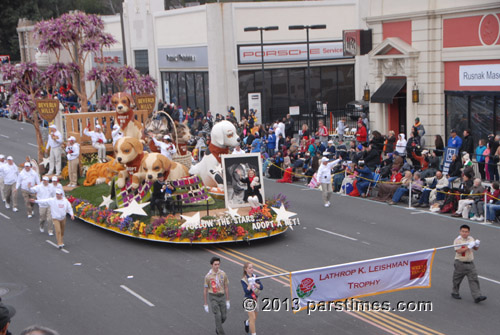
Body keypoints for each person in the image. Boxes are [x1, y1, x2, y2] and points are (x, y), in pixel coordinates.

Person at [451, 224, 486, 303]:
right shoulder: (457, 240)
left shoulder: (471, 239)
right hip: (460, 263)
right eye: (463, 231)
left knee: (474, 279)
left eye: (466, 232)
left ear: (469, 232)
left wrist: (476, 244)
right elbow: (458, 251)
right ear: (460, 231)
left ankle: (477, 296)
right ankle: (455, 292)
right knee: (457, 279)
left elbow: (476, 249)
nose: (464, 233)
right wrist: (468, 247)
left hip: (470, 263)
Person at [203, 257, 230, 335]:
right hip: (213, 297)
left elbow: (226, 287)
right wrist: (205, 304)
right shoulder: (208, 276)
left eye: (218, 264)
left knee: (224, 317)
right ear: (212, 265)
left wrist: (228, 300)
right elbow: (205, 290)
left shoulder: (223, 274)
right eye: (215, 264)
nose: (217, 266)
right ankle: (221, 332)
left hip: (222, 296)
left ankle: (218, 327)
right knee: (218, 316)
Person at [241, 262, 263, 335]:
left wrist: (254, 283)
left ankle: (247, 322)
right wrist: (250, 284)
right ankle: (253, 333)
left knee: (254, 318)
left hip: (256, 299)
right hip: (248, 299)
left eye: (252, 267)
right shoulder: (243, 280)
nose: (251, 269)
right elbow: (246, 291)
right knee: (252, 318)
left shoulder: (256, 277)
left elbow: (261, 287)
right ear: (245, 269)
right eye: (249, 268)